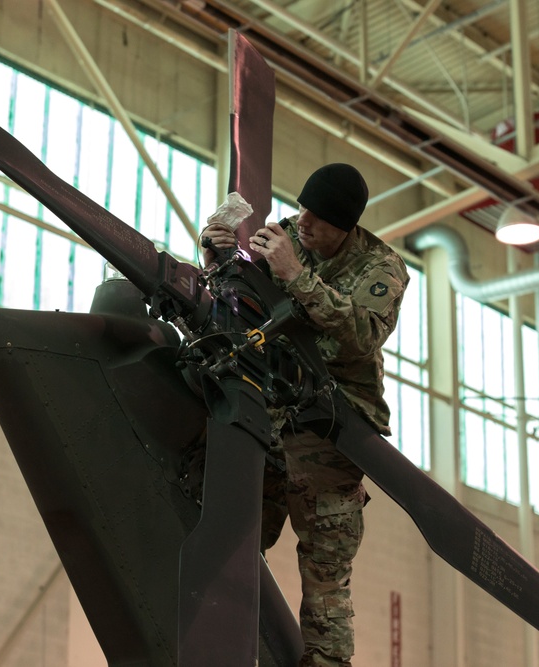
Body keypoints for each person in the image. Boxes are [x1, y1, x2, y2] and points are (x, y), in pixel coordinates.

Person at [200, 163, 409, 666]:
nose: (304, 222)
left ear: (346, 227)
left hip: (335, 425)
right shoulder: (291, 234)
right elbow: (244, 301)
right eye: (302, 209)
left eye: (318, 219)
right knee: (234, 547)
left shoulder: (382, 270)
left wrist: (295, 274)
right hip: (272, 409)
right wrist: (217, 256)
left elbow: (361, 337)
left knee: (325, 581)